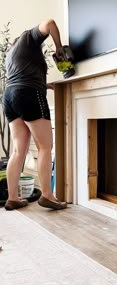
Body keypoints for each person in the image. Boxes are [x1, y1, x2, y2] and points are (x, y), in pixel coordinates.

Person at [3, 18, 67, 211]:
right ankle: (47, 195)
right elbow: (50, 23)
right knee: (45, 146)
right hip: (29, 94)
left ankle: (12, 198)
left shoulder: (10, 55)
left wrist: (45, 85)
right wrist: (58, 47)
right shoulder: (28, 37)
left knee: (18, 150)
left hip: (9, 97)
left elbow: (22, 77)